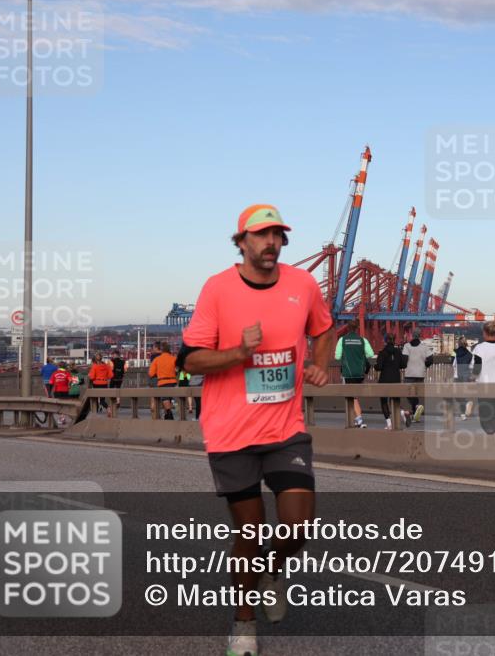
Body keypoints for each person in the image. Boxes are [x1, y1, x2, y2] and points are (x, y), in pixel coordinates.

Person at [179, 203, 333, 656]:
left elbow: (322, 330)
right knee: (250, 533)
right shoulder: (217, 289)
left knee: (299, 524)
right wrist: (236, 354)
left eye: (278, 235)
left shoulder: (303, 284)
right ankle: (243, 623)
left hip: (286, 427)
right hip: (231, 433)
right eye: (262, 235)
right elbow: (190, 360)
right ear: (241, 241)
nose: (271, 243)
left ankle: (272, 573)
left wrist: (321, 364)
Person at [335, 319, 376, 428]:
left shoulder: (342, 340)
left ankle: (359, 419)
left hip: (347, 373)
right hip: (360, 373)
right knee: (354, 396)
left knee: (352, 397)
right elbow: (371, 354)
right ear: (357, 328)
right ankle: (356, 418)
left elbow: (337, 356)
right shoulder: (363, 340)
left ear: (347, 328)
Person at [375, 333, 409, 430]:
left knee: (384, 401)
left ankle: (389, 424)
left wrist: (375, 366)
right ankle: (402, 413)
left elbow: (379, 367)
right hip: (396, 378)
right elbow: (403, 365)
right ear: (394, 340)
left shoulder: (382, 352)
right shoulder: (398, 351)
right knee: (395, 400)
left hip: (384, 380)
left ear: (385, 341)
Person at [402, 328, 433, 424]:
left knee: (408, 393)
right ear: (420, 336)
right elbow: (431, 360)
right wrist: (425, 365)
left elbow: (404, 360)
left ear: (412, 335)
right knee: (416, 393)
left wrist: (405, 365)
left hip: (409, 373)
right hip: (420, 374)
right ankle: (416, 416)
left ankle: (416, 407)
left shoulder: (407, 346)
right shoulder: (424, 347)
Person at [149, 342, 178, 420]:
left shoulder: (157, 359)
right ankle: (168, 415)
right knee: (168, 399)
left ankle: (169, 415)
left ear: (161, 349)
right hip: (173, 382)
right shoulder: (173, 358)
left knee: (165, 399)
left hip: (162, 382)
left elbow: (151, 373)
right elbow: (178, 369)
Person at [451, 337, 474, 420]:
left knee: (457, 396)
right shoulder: (470, 354)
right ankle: (463, 413)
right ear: (466, 344)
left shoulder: (454, 353)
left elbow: (452, 364)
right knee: (463, 395)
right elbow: (471, 367)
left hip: (457, 376)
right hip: (466, 376)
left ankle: (463, 413)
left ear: (458, 344)